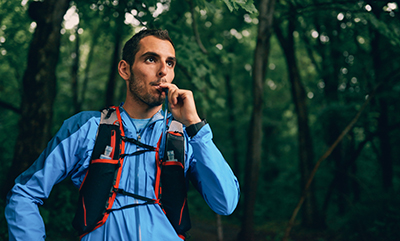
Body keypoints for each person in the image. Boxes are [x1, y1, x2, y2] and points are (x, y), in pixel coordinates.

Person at [5, 29, 240, 241]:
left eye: (170, 63)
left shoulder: (186, 135)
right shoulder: (87, 127)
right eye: (151, 59)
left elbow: (225, 203)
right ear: (125, 69)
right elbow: (24, 194)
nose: (163, 72)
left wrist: (194, 124)